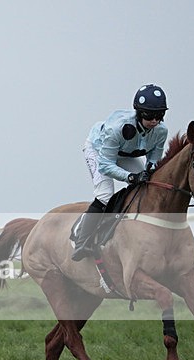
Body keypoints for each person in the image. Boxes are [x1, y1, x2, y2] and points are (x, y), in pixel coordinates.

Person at [72, 84, 169, 261]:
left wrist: (147, 174)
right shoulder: (117, 129)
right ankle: (81, 241)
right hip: (99, 150)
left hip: (125, 153)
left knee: (145, 186)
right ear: (139, 113)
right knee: (105, 195)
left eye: (159, 115)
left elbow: (153, 161)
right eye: (149, 115)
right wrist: (130, 177)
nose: (155, 121)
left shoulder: (161, 131)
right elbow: (105, 165)